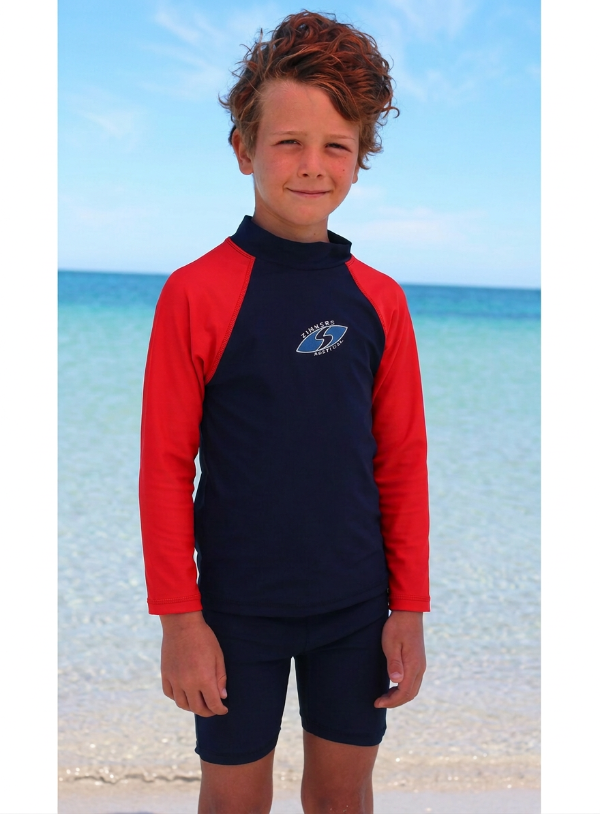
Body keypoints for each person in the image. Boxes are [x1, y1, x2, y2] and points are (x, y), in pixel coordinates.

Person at [139, 10, 429, 814]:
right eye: (288, 142)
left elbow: (401, 462)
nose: (311, 165)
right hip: (236, 612)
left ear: (361, 158)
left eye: (336, 145)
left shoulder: (380, 301)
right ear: (244, 149)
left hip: (357, 608)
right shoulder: (195, 293)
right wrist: (180, 622)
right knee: (234, 801)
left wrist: (408, 607)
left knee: (343, 797)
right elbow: (164, 469)